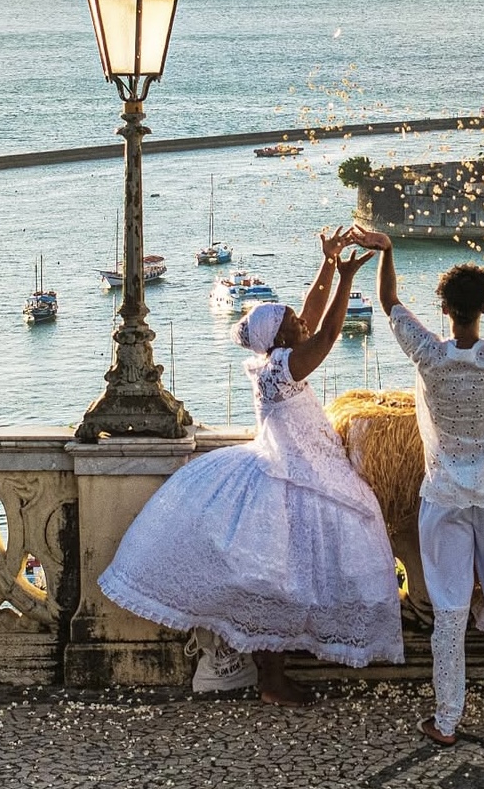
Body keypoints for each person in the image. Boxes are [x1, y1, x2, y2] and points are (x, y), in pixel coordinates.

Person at [99, 229, 404, 706]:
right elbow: (325, 333)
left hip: (301, 470)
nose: (299, 320)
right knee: (281, 583)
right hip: (293, 475)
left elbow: (310, 312)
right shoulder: (283, 367)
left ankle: (274, 676)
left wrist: (328, 265)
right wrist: (346, 277)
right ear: (279, 338)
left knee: (286, 583)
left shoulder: (272, 360)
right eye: (289, 321)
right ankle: (272, 680)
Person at [350, 207, 484, 746]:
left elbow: (389, 304)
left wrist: (387, 251)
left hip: (443, 496)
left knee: (449, 613)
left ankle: (447, 721)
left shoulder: (429, 356)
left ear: (444, 309)